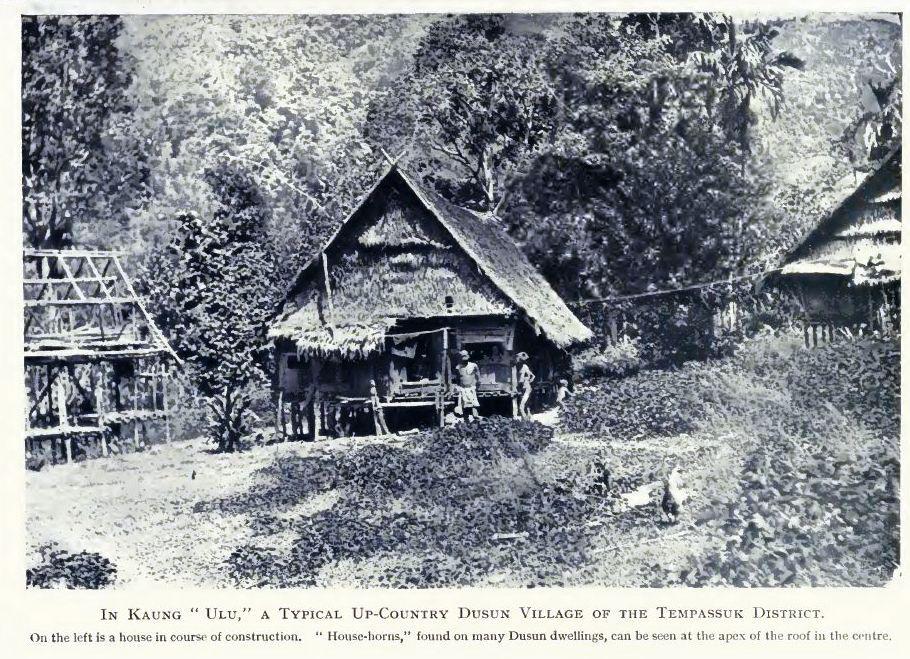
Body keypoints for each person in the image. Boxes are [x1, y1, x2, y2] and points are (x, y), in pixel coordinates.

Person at [455, 349, 481, 421]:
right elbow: (458, 378)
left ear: (468, 356)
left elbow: (478, 376)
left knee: (474, 405)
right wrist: (458, 387)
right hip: (463, 388)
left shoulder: (473, 365)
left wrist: (478, 384)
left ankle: (476, 419)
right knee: (464, 406)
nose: (464, 357)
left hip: (472, 387)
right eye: (462, 356)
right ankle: (466, 421)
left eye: (465, 355)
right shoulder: (458, 367)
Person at [516, 352, 535, 419]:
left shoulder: (524, 367)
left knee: (521, 406)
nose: (517, 359)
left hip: (527, 388)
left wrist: (528, 380)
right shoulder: (518, 367)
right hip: (522, 388)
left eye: (518, 358)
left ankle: (525, 419)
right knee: (525, 404)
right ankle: (528, 416)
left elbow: (533, 376)